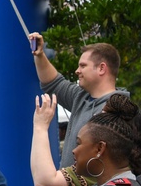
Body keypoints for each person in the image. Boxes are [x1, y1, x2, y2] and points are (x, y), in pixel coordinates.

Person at [28, 34, 126, 175]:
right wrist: (40, 54)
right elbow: (53, 83)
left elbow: (45, 183)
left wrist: (40, 126)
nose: (77, 71)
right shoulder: (81, 96)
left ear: (102, 68)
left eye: (83, 66)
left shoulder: (119, 110)